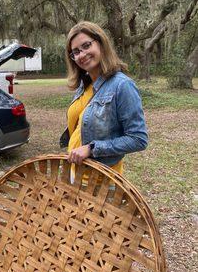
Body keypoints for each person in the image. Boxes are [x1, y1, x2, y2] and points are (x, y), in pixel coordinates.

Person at [60, 21, 148, 176]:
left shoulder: (122, 86)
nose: (82, 54)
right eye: (76, 52)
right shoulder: (84, 86)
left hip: (101, 182)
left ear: (100, 43)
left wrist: (91, 148)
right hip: (76, 173)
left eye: (86, 46)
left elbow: (138, 139)